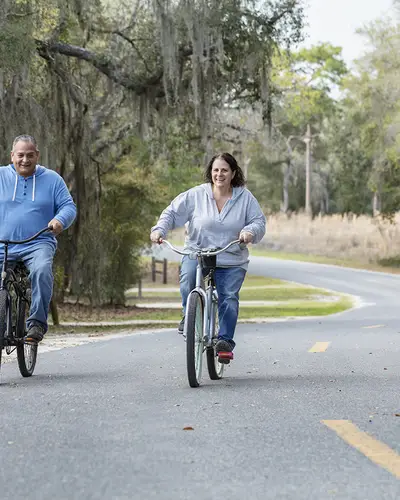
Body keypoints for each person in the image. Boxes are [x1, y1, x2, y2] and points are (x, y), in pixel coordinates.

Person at [150, 152, 266, 354]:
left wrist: (250, 232)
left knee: (228, 298)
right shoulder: (196, 195)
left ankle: (225, 342)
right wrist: (159, 229)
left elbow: (258, 222)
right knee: (187, 279)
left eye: (224, 170)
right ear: (210, 172)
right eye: (215, 170)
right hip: (198, 253)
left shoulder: (245, 198)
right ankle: (189, 315)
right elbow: (172, 212)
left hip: (231, 258)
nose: (219, 174)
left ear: (233, 173)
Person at [0, 135, 77, 343]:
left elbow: (69, 207)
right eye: (21, 155)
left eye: (30, 155)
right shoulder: (1, 176)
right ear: (12, 156)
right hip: (3, 244)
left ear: (37, 156)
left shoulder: (52, 179)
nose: (25, 160)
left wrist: (60, 220)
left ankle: (36, 323)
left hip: (38, 242)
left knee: (42, 270)